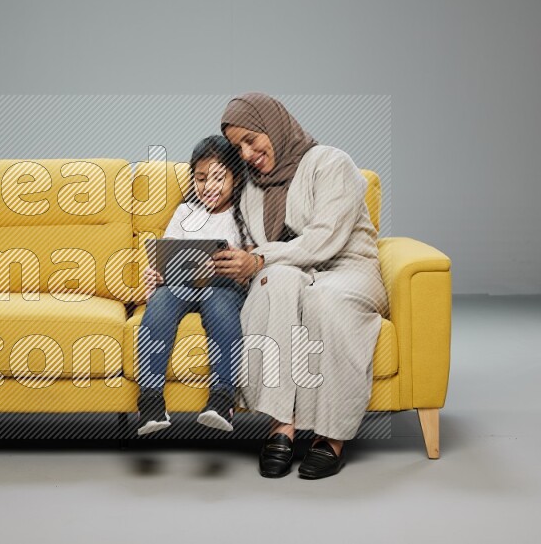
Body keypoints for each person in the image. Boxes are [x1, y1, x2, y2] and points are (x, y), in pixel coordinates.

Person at [212, 93, 389, 479]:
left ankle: (332, 436)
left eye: (251, 140)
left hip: (345, 268)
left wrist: (258, 258)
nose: (246, 153)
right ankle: (282, 423)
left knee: (324, 299)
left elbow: (325, 239)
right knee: (276, 282)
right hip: (293, 270)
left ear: (273, 125)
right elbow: (259, 251)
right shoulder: (252, 189)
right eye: (237, 147)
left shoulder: (330, 162)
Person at [135, 135, 253, 436]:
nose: (209, 186)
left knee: (220, 304)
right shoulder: (186, 212)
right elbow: (167, 254)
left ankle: (221, 399)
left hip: (224, 287)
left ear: (236, 177)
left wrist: (240, 267)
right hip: (181, 284)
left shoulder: (244, 213)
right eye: (201, 179)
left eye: (218, 178)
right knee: (160, 302)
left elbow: (252, 260)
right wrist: (156, 275)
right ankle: (150, 401)